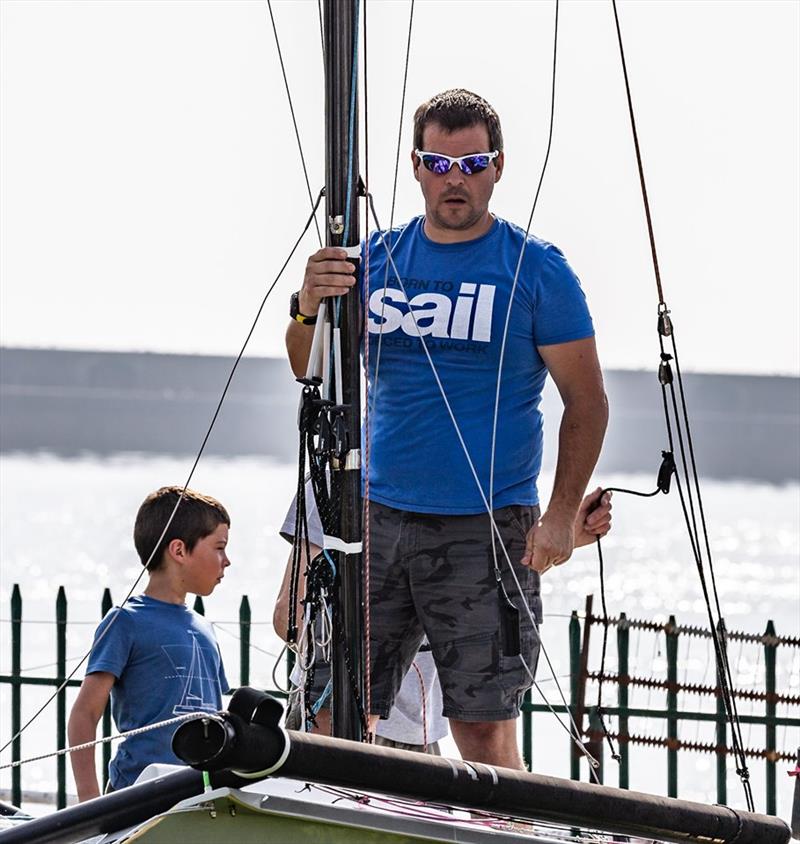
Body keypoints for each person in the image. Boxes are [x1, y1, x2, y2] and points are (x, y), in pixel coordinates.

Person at [285, 89, 609, 769]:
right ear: (415, 165)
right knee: (332, 714)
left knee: (482, 731)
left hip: (486, 526)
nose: (454, 179)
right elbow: (305, 368)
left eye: (472, 164)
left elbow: (587, 402)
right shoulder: (374, 259)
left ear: (497, 167)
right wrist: (309, 304)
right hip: (377, 518)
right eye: (439, 163)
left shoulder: (536, 270)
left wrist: (556, 520)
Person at [68, 486, 232, 801]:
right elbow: (84, 714)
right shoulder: (125, 621)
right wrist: (89, 803)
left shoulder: (205, 629)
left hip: (199, 795)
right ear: (179, 551)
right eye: (219, 547)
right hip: (138, 795)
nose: (227, 561)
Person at [274, 491, 448, 754]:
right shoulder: (331, 477)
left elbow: (289, 618)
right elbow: (289, 617)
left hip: (407, 729)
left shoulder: (331, 474)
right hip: (338, 718)